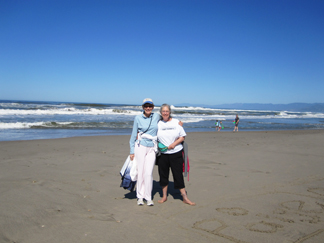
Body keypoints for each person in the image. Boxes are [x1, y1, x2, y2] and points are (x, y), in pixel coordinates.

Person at [157, 104, 195, 206]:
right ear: (161, 112)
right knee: (163, 175)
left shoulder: (176, 122)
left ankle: (185, 197)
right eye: (163, 111)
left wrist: (173, 145)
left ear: (170, 112)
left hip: (176, 153)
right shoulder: (158, 123)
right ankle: (164, 196)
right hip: (163, 154)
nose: (165, 113)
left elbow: (182, 136)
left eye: (167, 111)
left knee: (178, 175)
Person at [129, 98, 159, 206]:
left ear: (153, 107)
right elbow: (133, 135)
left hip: (152, 148)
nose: (148, 108)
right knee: (140, 172)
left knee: (148, 173)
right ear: (143, 107)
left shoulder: (156, 116)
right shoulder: (138, 118)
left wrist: (178, 123)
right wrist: (132, 151)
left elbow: (167, 117)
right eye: (146, 106)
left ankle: (148, 197)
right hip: (140, 146)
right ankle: (140, 197)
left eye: (150, 106)